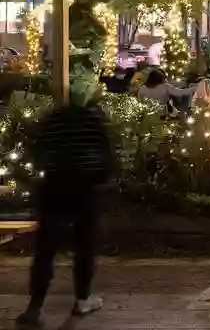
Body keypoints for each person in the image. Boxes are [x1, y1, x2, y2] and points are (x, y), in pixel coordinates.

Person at [16, 77, 113, 328]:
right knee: (84, 248)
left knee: (45, 251)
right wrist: (103, 181)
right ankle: (82, 299)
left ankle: (35, 306)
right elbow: (106, 156)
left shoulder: (52, 121)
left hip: (54, 188)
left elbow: (37, 154)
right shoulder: (93, 120)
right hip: (85, 189)